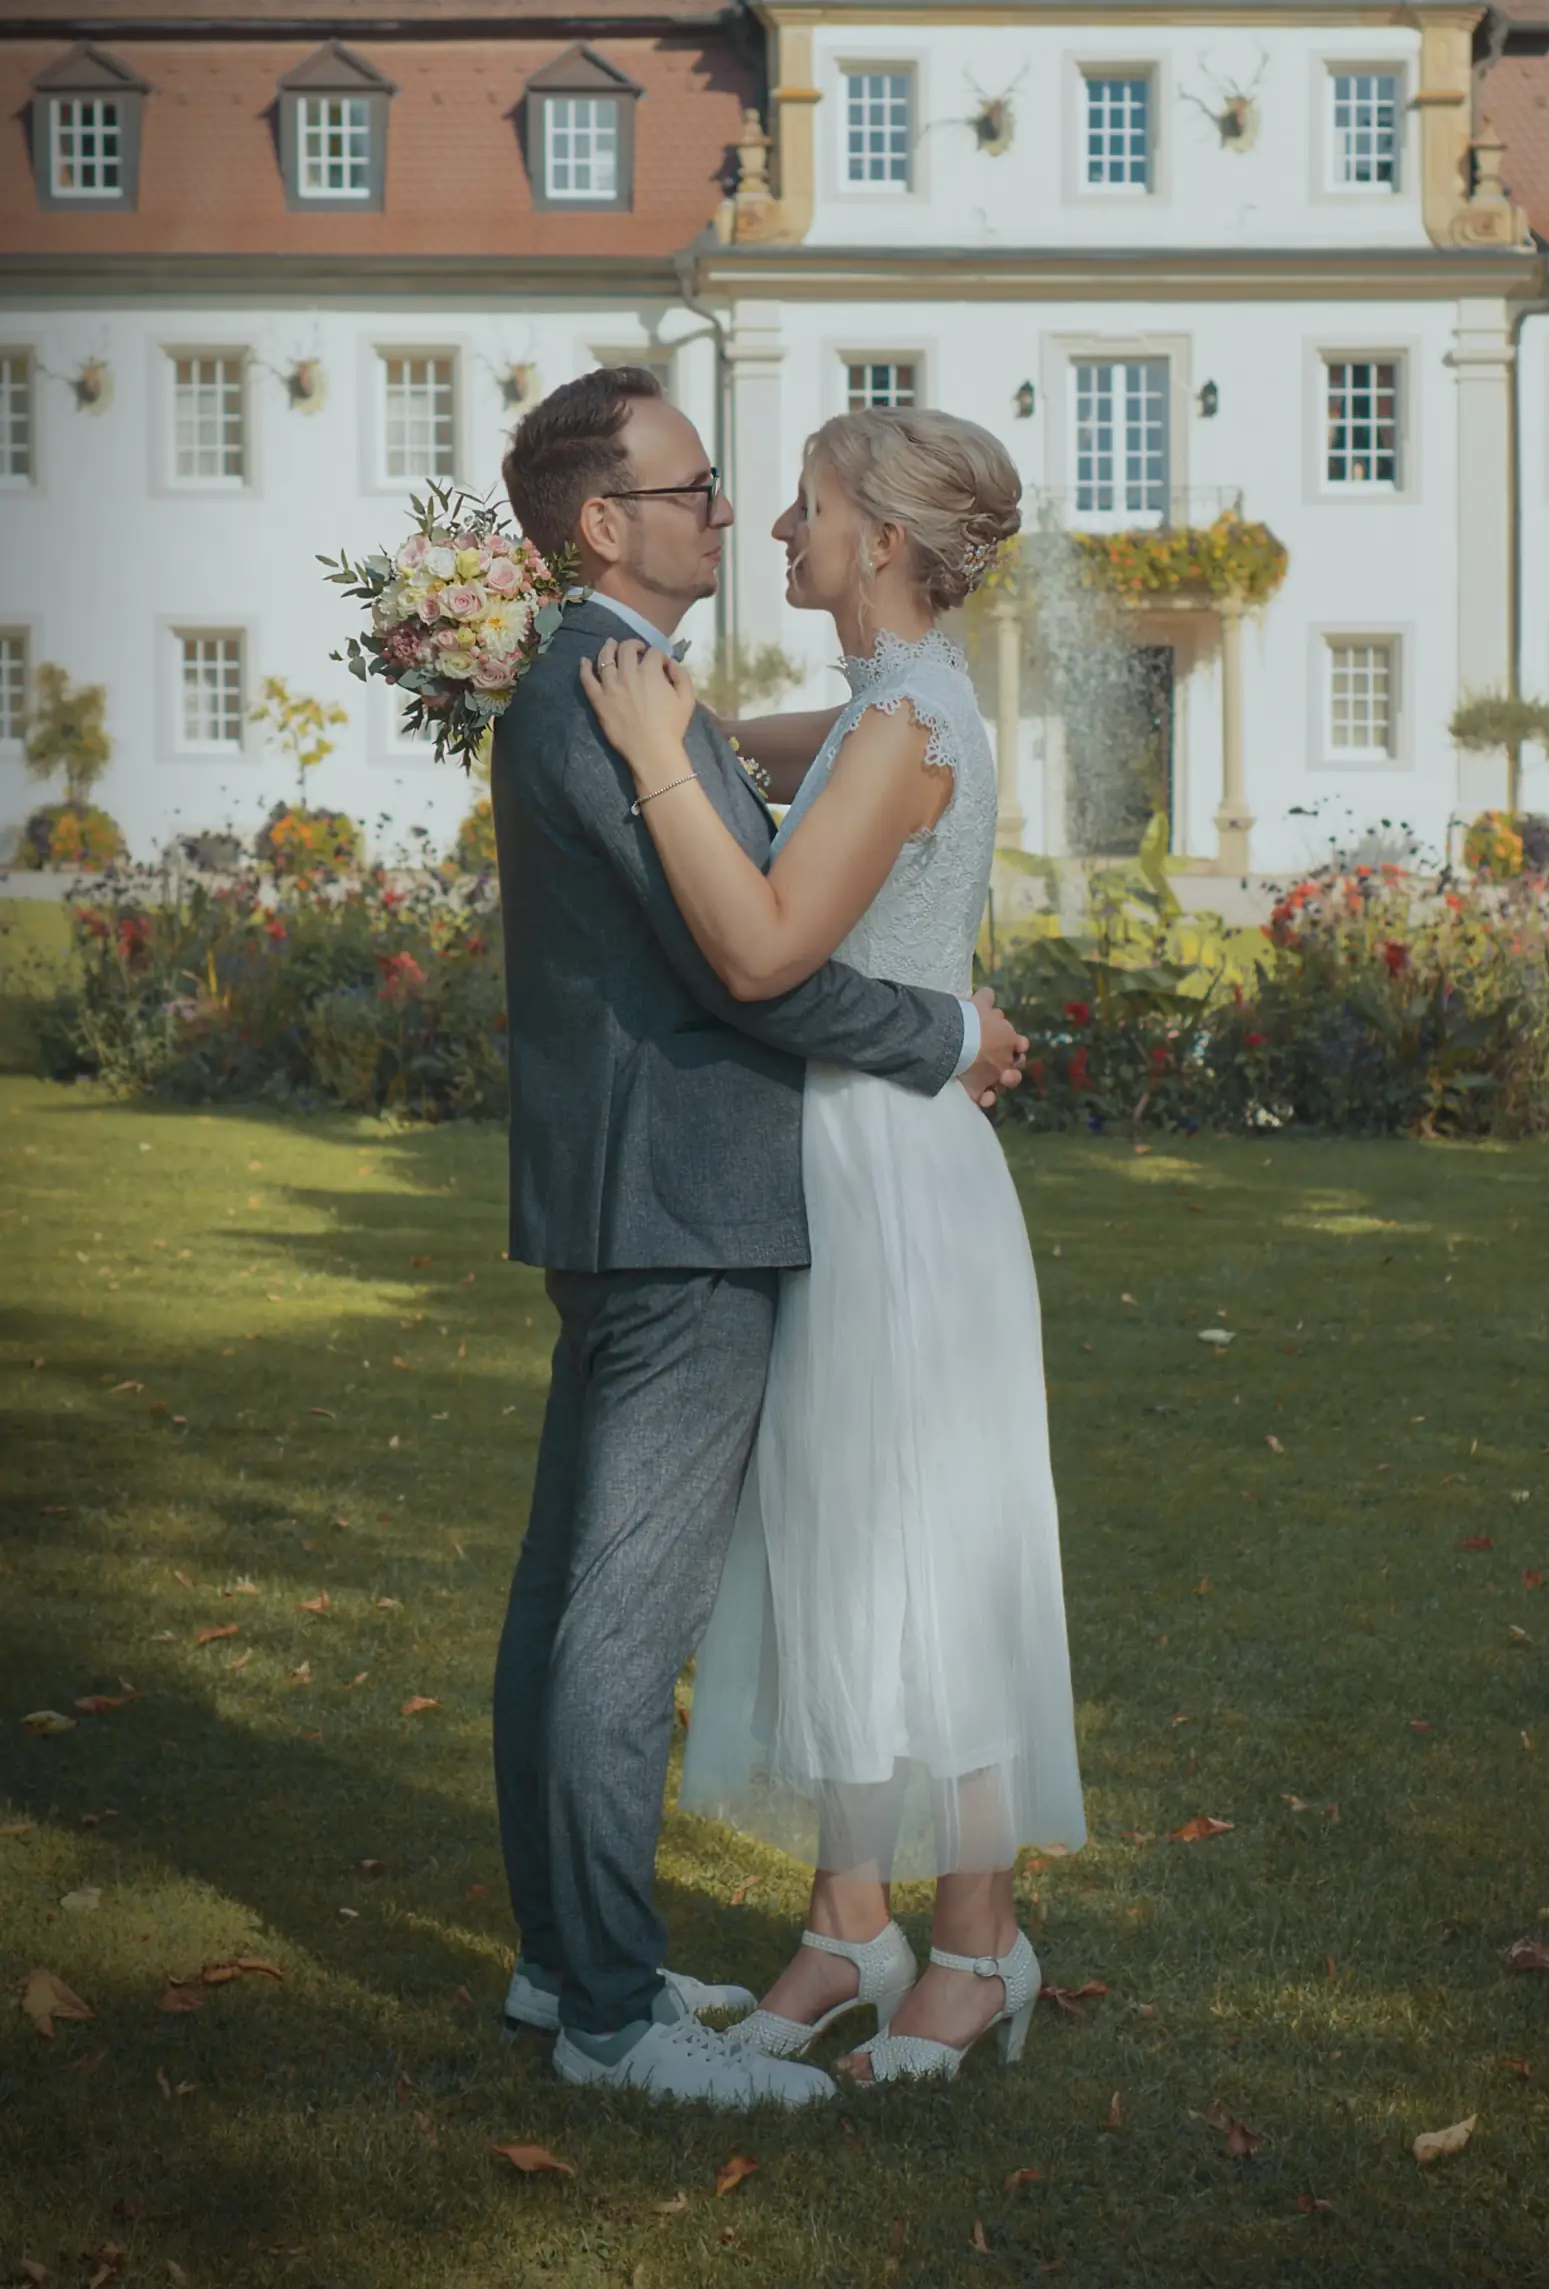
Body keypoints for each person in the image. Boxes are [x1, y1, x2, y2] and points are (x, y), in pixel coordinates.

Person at [487, 366, 1027, 2112]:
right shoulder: (635, 694)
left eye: (775, 494)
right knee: (669, 1597)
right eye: (710, 486)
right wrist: (948, 1030)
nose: (748, 514)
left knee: (859, 1557)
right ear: (604, 523)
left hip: (822, 1182)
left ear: (876, 537)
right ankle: (635, 1987)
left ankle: (914, 1935)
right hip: (722, 1191)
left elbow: (769, 936)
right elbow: (754, 939)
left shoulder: (630, 687)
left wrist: (683, 746)